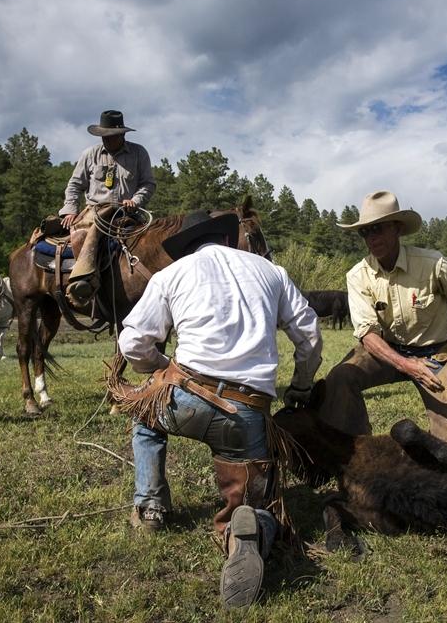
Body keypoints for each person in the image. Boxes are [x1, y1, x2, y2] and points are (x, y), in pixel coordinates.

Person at [114, 210, 322, 609]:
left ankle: (151, 505)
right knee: (255, 497)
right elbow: (309, 334)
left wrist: (161, 369)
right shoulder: (270, 271)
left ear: (185, 248)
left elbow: (132, 343)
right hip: (245, 412)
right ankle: (245, 526)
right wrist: (300, 385)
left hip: (184, 401)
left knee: (144, 418)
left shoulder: (171, 275)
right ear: (226, 240)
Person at [320, 190, 447, 449]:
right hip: (386, 352)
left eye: (377, 228)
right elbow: (368, 335)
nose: (371, 237)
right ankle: (360, 449)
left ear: (397, 228)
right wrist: (406, 364)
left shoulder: (434, 265)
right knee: (340, 377)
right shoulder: (358, 276)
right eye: (364, 232)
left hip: (435, 355)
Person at [59, 110, 155, 306]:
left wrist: (136, 200)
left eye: (111, 136)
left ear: (122, 135)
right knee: (80, 237)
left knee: (152, 243)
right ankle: (84, 283)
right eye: (104, 136)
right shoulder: (90, 154)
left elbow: (148, 183)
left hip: (127, 213)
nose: (107, 140)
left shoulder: (139, 153)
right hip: (96, 212)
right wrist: (70, 209)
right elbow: (74, 185)